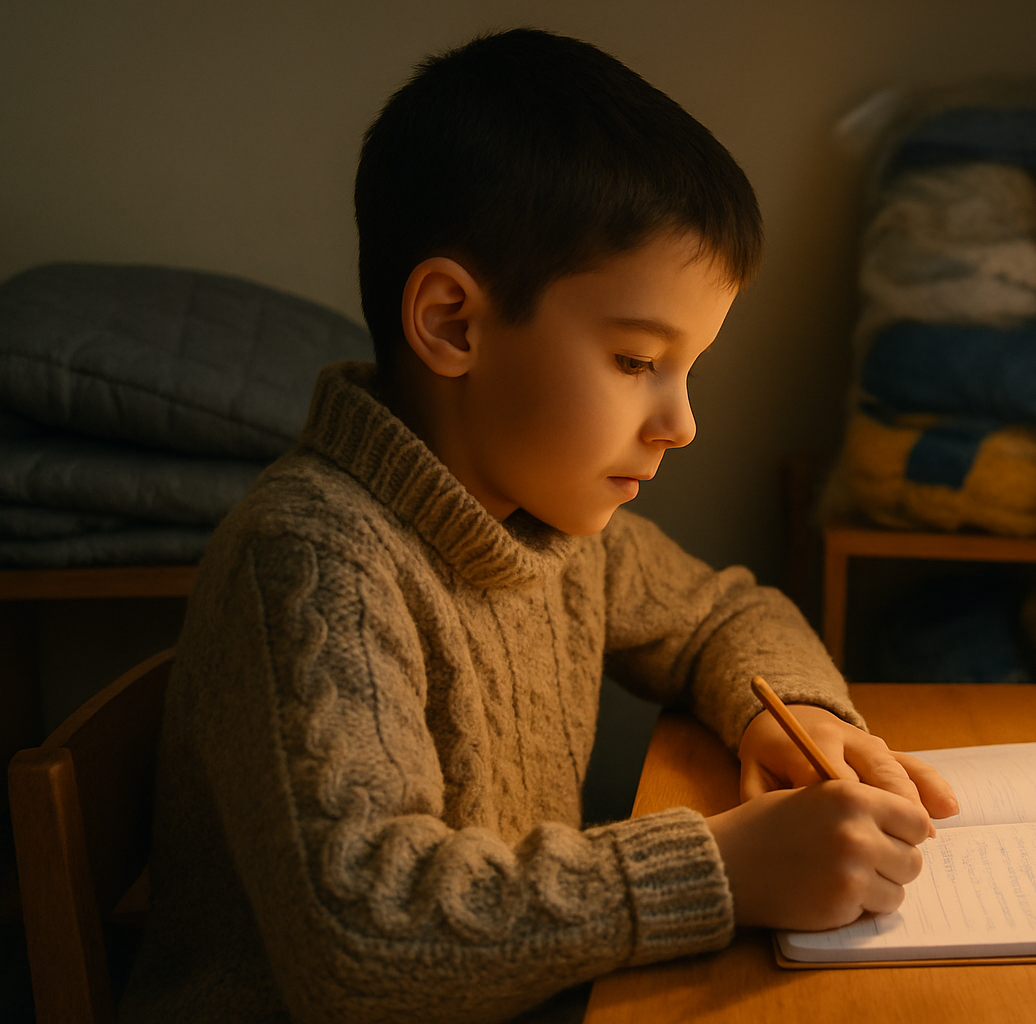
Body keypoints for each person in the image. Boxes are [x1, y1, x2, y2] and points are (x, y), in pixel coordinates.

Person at [120, 27, 957, 1024]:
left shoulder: (552, 526)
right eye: (638, 360)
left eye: (687, 369)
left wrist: (804, 714)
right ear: (453, 323)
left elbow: (723, 613)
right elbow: (361, 939)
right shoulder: (314, 557)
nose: (682, 423)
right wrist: (720, 867)